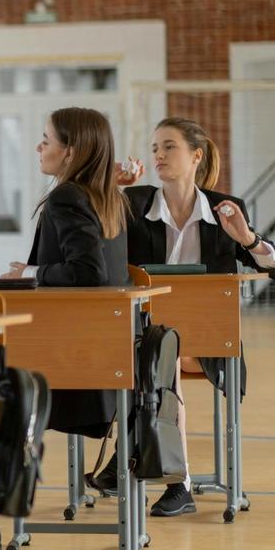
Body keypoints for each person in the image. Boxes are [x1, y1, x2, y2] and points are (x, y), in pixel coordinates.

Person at [112, 116, 275, 516]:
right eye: (154, 148)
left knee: (158, 356)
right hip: (146, 336)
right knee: (156, 354)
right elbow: (100, 247)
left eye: (169, 146)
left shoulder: (226, 209)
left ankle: (168, 477)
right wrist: (110, 190)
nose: (159, 155)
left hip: (209, 339)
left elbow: (270, 265)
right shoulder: (134, 203)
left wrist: (247, 239)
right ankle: (173, 479)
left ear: (196, 155)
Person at [2, 107, 130, 440]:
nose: (38, 148)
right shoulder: (110, 198)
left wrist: (29, 272)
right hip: (107, 356)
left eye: (46, 141)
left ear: (70, 152)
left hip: (70, 357)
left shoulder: (67, 196)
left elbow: (88, 271)